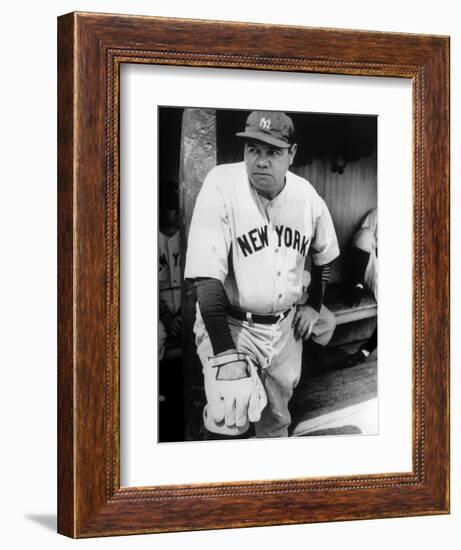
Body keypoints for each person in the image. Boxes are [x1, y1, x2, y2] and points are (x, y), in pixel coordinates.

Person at [184, 111, 340, 438]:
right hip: (231, 322)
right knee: (229, 415)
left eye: (273, 152)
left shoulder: (306, 195)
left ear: (292, 154)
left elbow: (325, 255)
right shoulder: (221, 184)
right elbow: (206, 277)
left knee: (276, 422)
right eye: (253, 149)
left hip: (283, 330)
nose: (261, 161)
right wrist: (226, 355)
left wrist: (314, 305)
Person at [344, 208, 377, 367]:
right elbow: (360, 241)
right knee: (365, 234)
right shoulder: (378, 213)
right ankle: (357, 286)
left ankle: (365, 351)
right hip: (373, 265)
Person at [158, 181, 182, 360]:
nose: (175, 212)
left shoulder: (188, 236)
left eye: (177, 207)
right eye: (170, 207)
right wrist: (166, 317)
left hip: (186, 310)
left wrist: (182, 316)